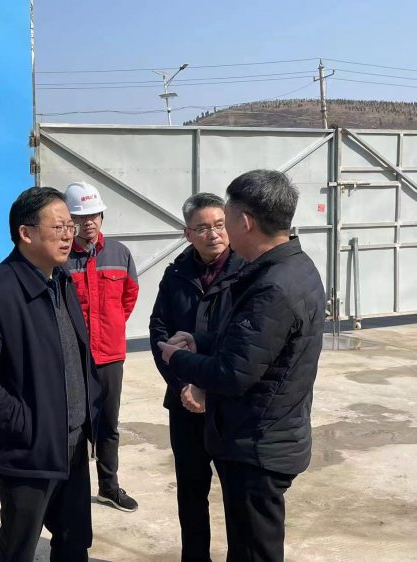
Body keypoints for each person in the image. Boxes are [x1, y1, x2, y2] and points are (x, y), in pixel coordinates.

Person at [158, 170, 325, 562]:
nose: (220, 231)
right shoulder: (292, 267)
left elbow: (233, 373)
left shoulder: (272, 285)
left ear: (244, 222)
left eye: (226, 219)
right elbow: (255, 345)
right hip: (260, 434)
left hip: (258, 445)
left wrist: (179, 358)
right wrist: (201, 344)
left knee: (253, 552)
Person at [0, 186, 101, 562]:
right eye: (58, 227)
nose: (68, 235)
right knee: (19, 549)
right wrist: (25, 422)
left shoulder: (61, 280)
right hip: (28, 451)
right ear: (26, 233)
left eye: (70, 226)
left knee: (74, 542)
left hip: (71, 443)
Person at [149, 193, 244, 562]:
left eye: (219, 225)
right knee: (191, 492)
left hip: (230, 403)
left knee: (238, 494)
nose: (213, 234)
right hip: (185, 403)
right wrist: (183, 385)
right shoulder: (176, 275)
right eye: (202, 228)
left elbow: (246, 340)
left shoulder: (247, 272)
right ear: (187, 233)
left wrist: (210, 385)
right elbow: (159, 332)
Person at [64, 181, 139, 512]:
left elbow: (129, 296)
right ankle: (74, 489)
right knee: (75, 426)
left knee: (108, 424)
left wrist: (112, 326)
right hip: (73, 358)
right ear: (70, 221)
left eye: (94, 215)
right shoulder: (61, 258)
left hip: (109, 355)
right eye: (81, 217)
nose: (89, 222)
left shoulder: (119, 253)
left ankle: (109, 486)